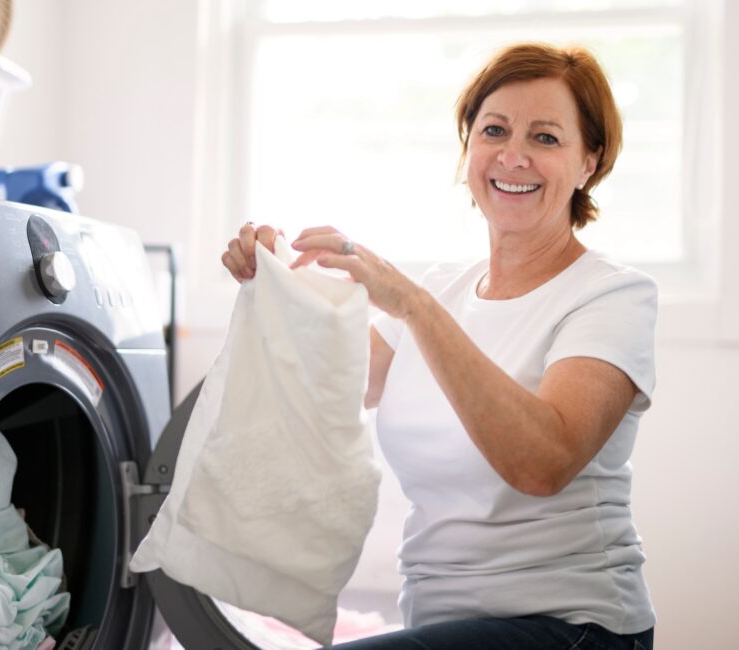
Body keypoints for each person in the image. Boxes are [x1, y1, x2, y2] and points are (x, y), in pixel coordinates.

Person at [221, 42, 657, 650]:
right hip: (438, 622)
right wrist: (272, 285)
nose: (513, 156)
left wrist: (412, 305)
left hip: (574, 627)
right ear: (468, 144)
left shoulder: (612, 295)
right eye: (494, 130)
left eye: (546, 138)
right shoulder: (443, 289)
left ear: (590, 160)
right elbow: (320, 387)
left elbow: (543, 464)